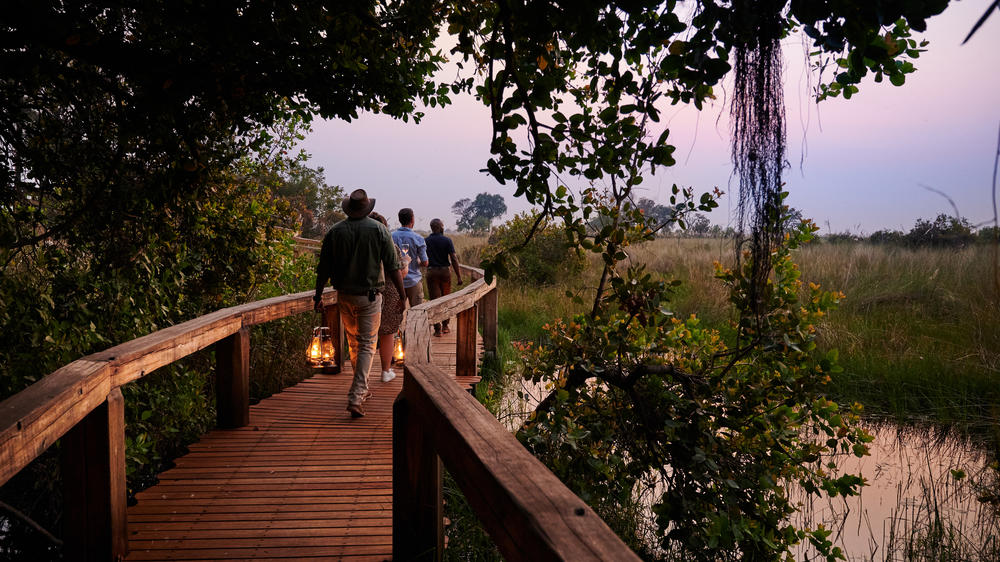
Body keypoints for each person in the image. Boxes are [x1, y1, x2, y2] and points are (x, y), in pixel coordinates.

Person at [314, 189, 405, 418]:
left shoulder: (335, 231)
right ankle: (356, 395)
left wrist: (317, 296)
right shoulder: (379, 230)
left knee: (355, 343)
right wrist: (403, 296)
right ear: (366, 208)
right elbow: (394, 266)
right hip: (370, 296)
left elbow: (323, 268)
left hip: (344, 296)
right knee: (366, 345)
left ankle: (361, 390)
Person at [368, 211, 409, 384]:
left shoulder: (362, 246)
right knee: (387, 333)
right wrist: (406, 263)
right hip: (390, 293)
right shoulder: (390, 246)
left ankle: (362, 374)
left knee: (365, 336)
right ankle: (385, 371)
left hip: (366, 292)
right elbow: (399, 272)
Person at [424, 218, 463, 336]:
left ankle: (437, 329)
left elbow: (423, 258)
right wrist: (459, 276)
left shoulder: (426, 241)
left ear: (431, 228)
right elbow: (454, 259)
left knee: (434, 300)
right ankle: (445, 326)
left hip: (432, 272)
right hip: (445, 272)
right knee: (446, 299)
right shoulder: (447, 240)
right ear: (441, 227)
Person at [391, 208, 429, 308]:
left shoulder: (391, 236)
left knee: (396, 313)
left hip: (396, 282)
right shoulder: (418, 238)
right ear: (412, 220)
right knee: (417, 312)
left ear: (399, 220)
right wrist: (417, 262)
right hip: (413, 281)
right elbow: (425, 262)